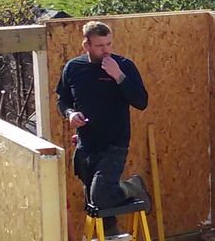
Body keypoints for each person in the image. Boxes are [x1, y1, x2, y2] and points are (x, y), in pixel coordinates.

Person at [56, 20, 149, 221]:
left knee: (100, 197)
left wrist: (118, 76)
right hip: (86, 144)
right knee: (94, 204)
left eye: (109, 44)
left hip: (114, 144)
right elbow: (62, 99)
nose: (105, 50)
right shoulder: (74, 67)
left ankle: (132, 186)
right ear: (86, 45)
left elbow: (141, 102)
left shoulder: (124, 66)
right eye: (99, 46)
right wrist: (70, 113)